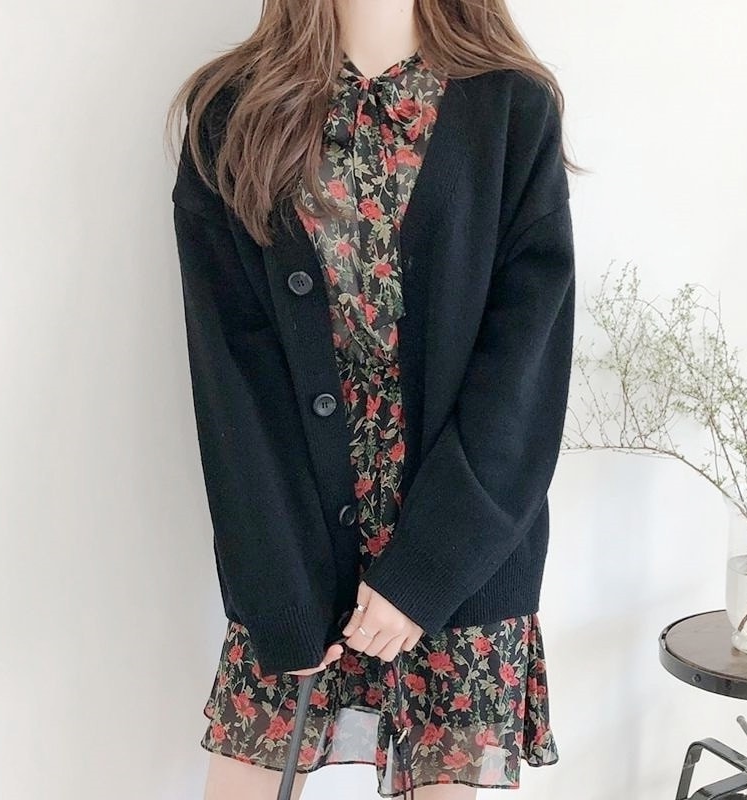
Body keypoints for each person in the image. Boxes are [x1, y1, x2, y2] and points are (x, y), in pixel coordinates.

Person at [167, 0, 583, 797]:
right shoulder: (232, 112)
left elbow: (523, 375)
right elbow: (230, 383)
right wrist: (281, 596)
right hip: (295, 551)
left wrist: (426, 572)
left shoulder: (512, 108)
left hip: (463, 556)